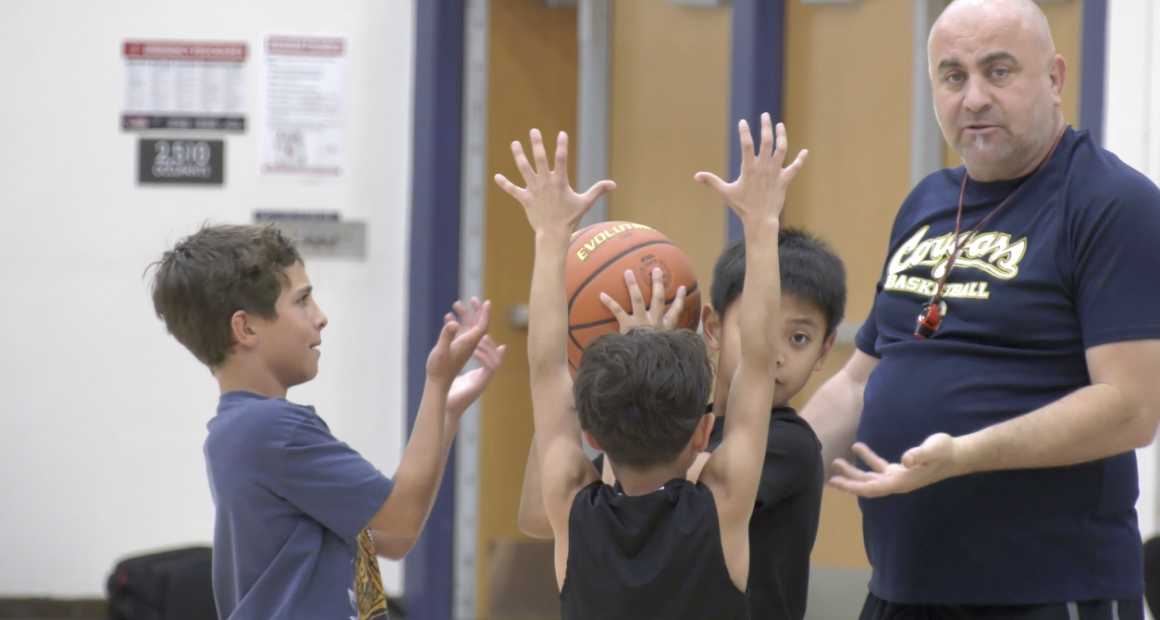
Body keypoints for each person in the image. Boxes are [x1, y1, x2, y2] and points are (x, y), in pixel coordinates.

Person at [800, 0, 1160, 618]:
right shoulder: (928, 202)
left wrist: (964, 454)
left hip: (1049, 593)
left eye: (998, 71)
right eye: (953, 75)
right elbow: (860, 381)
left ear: (1054, 78)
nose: (972, 98)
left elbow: (1131, 409)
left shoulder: (1112, 202)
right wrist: (759, 465)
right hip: (902, 590)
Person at [493, 114, 806, 619]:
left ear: (591, 434)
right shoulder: (723, 503)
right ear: (705, 433)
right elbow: (755, 359)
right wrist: (762, 222)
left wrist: (551, 235)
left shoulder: (572, 508)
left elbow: (546, 366)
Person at [148, 224, 505, 620]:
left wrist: (446, 410)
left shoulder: (239, 430)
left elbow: (391, 538)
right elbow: (402, 516)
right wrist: (436, 385)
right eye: (303, 301)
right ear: (245, 328)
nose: (321, 317)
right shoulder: (273, 429)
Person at [515, 224, 847, 620]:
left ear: (825, 349)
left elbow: (625, 490)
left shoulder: (789, 445)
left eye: (798, 338)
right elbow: (537, 515)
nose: (775, 354)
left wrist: (619, 369)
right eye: (759, 329)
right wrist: (604, 366)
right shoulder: (674, 427)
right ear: (712, 327)